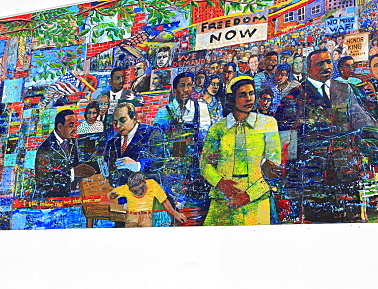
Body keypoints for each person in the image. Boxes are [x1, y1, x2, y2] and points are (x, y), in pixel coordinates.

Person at [274, 49, 378, 222]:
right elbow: (287, 148)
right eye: (319, 63)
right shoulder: (293, 97)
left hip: (346, 174)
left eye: (328, 62)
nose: (326, 67)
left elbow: (364, 123)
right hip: (312, 179)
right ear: (308, 69)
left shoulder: (344, 89)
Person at [201, 77, 282, 226]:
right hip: (222, 200)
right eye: (242, 95)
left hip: (256, 200)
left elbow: (273, 167)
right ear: (232, 99)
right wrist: (220, 183)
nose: (249, 99)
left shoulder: (268, 124)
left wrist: (249, 195)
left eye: (251, 93)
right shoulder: (217, 129)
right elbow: (205, 165)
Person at [152, 71, 212, 217]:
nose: (186, 89)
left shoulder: (201, 108)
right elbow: (157, 141)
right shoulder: (163, 112)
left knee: (195, 207)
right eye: (182, 86)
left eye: (189, 85)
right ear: (174, 90)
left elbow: (206, 136)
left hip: (195, 163)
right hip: (173, 165)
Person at [34, 108, 89, 198]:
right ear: (60, 127)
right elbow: (44, 182)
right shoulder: (45, 149)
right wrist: (73, 173)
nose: (75, 130)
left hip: (72, 195)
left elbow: (76, 164)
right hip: (52, 200)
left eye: (75, 125)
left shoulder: (72, 142)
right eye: (71, 126)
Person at [104, 101, 159, 187]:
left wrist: (138, 166)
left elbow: (160, 162)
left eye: (123, 120)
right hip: (119, 193)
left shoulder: (152, 133)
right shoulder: (112, 142)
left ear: (134, 118)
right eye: (115, 122)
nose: (118, 126)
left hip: (145, 191)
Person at [108, 171, 187, 228]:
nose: (136, 192)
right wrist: (113, 195)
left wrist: (175, 214)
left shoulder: (152, 184)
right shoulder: (126, 188)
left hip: (146, 217)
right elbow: (111, 194)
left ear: (144, 182)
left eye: (138, 189)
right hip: (132, 216)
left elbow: (164, 201)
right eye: (133, 190)